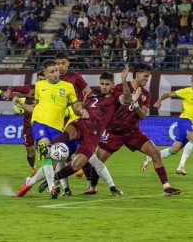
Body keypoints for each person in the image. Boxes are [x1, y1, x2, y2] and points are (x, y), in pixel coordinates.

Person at [17, 67, 131, 199]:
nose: (104, 87)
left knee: (77, 165)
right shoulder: (93, 94)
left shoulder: (116, 97)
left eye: (107, 84)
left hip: (92, 135)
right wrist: (81, 110)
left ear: (112, 85)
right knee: (62, 142)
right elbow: (79, 105)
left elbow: (127, 99)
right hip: (80, 124)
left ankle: (49, 179)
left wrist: (123, 80)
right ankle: (48, 150)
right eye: (102, 84)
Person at [87, 64, 181, 196]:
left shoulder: (146, 94)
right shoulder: (118, 87)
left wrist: (136, 103)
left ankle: (166, 186)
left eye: (148, 76)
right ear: (137, 74)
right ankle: (93, 187)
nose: (147, 79)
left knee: (155, 153)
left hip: (132, 132)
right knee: (99, 160)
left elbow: (142, 115)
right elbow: (118, 100)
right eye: (145, 76)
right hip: (114, 132)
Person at [15, 59, 86, 198]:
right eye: (52, 72)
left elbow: (75, 108)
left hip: (57, 128)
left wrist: (81, 111)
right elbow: (36, 107)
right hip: (39, 123)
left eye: (57, 71)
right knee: (45, 149)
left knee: (52, 160)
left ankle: (29, 182)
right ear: (46, 74)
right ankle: (52, 187)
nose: (56, 74)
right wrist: (22, 105)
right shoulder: (39, 85)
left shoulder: (68, 87)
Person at [141, 73, 193, 175]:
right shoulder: (186, 91)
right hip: (184, 120)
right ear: (191, 82)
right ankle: (181, 167)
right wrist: (159, 101)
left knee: (174, 149)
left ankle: (150, 158)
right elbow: (167, 94)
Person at [55, 51, 92, 194]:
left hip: (76, 119)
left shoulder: (75, 77)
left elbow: (88, 91)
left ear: (68, 63)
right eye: (58, 63)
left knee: (82, 151)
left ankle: (90, 184)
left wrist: (82, 106)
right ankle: (65, 188)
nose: (60, 66)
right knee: (62, 154)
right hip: (60, 120)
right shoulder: (54, 78)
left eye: (63, 63)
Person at [3, 71, 46, 177]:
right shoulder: (29, 89)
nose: (41, 82)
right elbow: (12, 87)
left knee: (46, 150)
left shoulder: (49, 91)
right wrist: (9, 92)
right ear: (36, 80)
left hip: (43, 125)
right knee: (31, 152)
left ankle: (52, 171)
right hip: (28, 126)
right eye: (39, 79)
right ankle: (33, 168)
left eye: (43, 80)